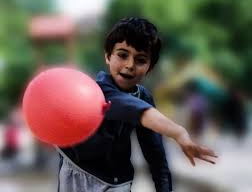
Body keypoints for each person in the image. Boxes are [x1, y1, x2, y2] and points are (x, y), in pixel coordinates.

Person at [57, 17, 217, 192]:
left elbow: (155, 155)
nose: (130, 65)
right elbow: (133, 109)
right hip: (79, 176)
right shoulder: (99, 91)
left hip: (118, 183)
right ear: (108, 56)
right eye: (122, 55)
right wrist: (179, 132)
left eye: (140, 60)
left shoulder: (143, 97)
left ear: (150, 67)